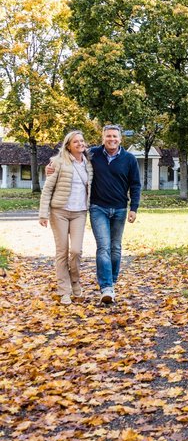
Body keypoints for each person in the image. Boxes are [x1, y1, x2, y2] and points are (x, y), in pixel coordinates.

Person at [47, 124, 141, 305]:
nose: (111, 139)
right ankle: (106, 288)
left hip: (120, 209)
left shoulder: (129, 159)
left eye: (115, 136)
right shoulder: (93, 154)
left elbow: (135, 185)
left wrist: (134, 208)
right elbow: (68, 156)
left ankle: (111, 282)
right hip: (98, 208)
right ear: (103, 138)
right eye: (108, 136)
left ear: (120, 139)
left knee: (116, 249)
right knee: (104, 247)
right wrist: (49, 168)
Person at [39, 130, 93, 305]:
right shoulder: (58, 162)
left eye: (82, 141)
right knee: (62, 251)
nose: (79, 144)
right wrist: (43, 213)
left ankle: (75, 282)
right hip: (59, 212)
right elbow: (47, 189)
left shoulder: (89, 164)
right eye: (75, 141)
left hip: (80, 212)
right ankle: (64, 290)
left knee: (76, 251)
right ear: (68, 145)